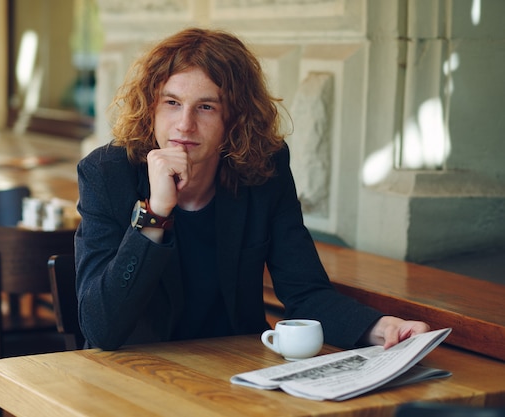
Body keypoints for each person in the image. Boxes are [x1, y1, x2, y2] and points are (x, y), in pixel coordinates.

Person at [75, 27, 429, 351]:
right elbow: (101, 328)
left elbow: (305, 293)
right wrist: (155, 212)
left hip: (235, 373)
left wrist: (383, 329)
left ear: (235, 118)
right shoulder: (107, 174)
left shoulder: (263, 171)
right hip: (136, 378)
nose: (185, 124)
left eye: (206, 107)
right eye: (172, 103)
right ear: (151, 108)